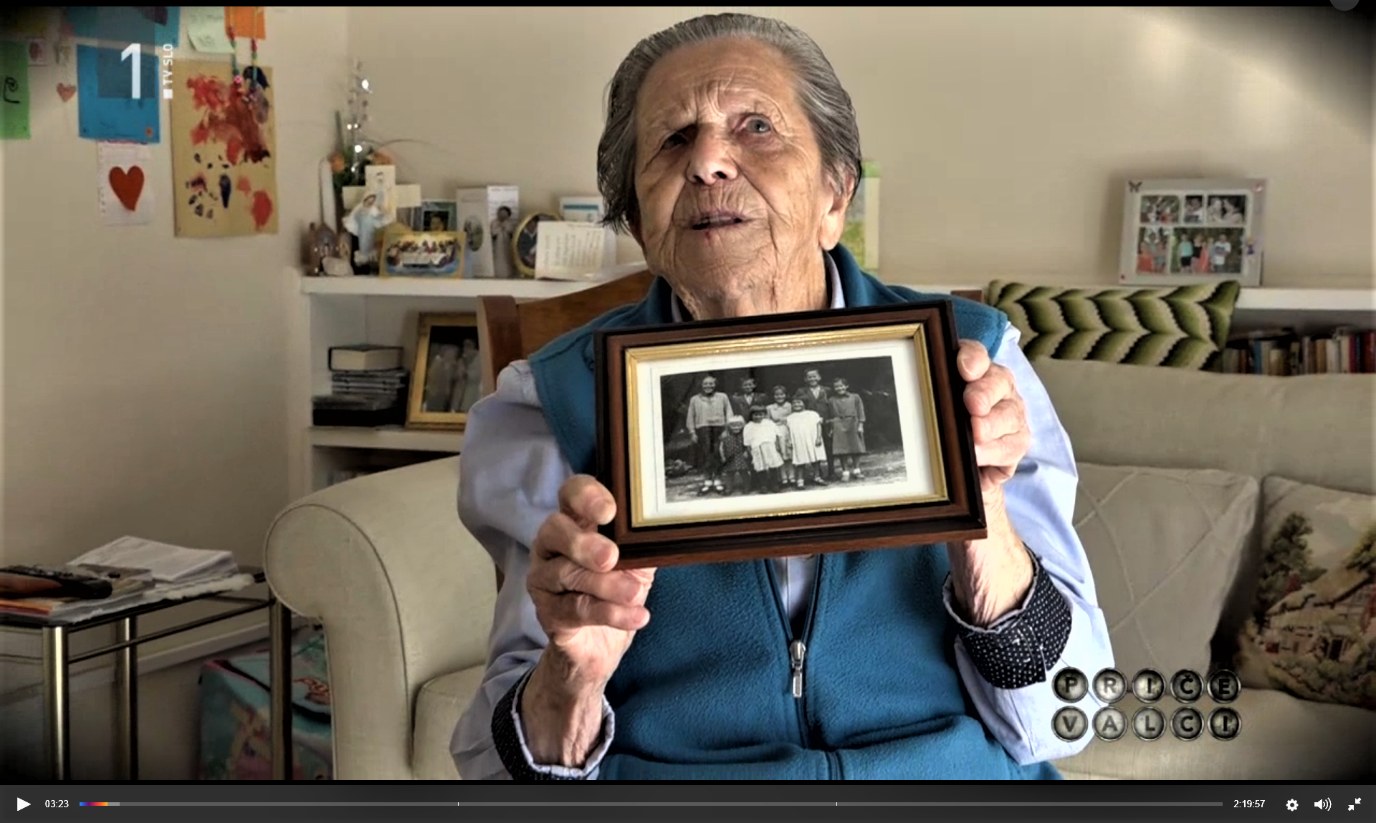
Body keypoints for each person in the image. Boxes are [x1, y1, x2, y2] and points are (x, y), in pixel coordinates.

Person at [453, 12, 1112, 781]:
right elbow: (498, 772)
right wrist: (574, 670)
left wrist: (982, 523)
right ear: (638, 220)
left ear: (837, 196)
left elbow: (1070, 718)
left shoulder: (971, 362)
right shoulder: (552, 402)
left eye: (756, 126)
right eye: (671, 141)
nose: (707, 163)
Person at [684, 375, 732, 494]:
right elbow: (691, 416)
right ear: (701, 385)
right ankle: (707, 481)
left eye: (711, 383)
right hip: (702, 428)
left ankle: (717, 480)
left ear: (715, 385)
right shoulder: (695, 399)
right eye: (705, 384)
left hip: (719, 428)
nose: (708, 386)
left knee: (718, 454)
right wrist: (692, 432)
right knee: (706, 455)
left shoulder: (722, 397)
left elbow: (729, 412)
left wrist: (727, 429)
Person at [794, 369, 832, 478]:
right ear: (805, 379)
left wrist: (829, 419)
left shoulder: (827, 390)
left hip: (825, 421)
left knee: (829, 446)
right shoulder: (801, 391)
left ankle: (831, 472)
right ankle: (818, 472)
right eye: (809, 377)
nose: (812, 379)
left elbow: (831, 404)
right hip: (809, 424)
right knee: (814, 446)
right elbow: (798, 404)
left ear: (819, 377)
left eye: (814, 376)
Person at [827, 377, 866, 480]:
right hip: (838, 424)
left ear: (846, 386)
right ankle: (845, 472)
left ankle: (857, 470)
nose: (839, 388)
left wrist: (860, 425)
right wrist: (831, 428)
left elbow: (860, 411)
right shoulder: (831, 400)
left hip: (853, 423)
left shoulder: (855, 397)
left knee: (855, 448)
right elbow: (830, 415)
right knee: (842, 450)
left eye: (841, 386)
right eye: (836, 387)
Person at [785, 396, 827, 489]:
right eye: (794, 403)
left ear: (804, 403)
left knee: (815, 459)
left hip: (812, 439)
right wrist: (789, 440)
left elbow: (818, 426)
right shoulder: (790, 418)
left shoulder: (812, 414)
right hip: (799, 441)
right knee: (800, 460)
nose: (796, 405)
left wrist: (819, 437)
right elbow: (788, 430)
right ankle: (800, 480)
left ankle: (817, 477)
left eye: (799, 402)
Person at [743, 404, 785, 493]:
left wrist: (778, 446)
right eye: (755, 415)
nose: (758, 417)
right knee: (761, 468)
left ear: (764, 415)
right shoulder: (749, 426)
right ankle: (763, 485)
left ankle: (774, 484)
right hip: (757, 449)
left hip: (769, 447)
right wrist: (749, 450)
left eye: (760, 414)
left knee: (773, 466)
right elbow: (747, 440)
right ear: (751, 415)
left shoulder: (769, 423)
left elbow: (777, 435)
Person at [343, 192, 388, 266]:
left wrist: (383, 215)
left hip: (371, 231)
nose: (370, 203)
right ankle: (363, 259)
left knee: (371, 244)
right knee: (363, 245)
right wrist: (363, 216)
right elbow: (354, 217)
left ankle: (371, 260)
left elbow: (378, 218)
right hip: (363, 231)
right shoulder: (359, 208)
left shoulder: (373, 209)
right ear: (365, 200)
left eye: (372, 201)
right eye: (369, 201)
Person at [766, 385, 796, 487]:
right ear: (773, 396)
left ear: (786, 395)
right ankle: (783, 477)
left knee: (790, 454)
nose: (779, 397)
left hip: (789, 431)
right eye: (777, 395)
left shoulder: (790, 406)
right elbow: (768, 422)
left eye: (782, 394)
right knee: (780, 454)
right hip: (776, 432)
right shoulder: (769, 408)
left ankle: (792, 476)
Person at [717, 415, 751, 495]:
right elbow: (721, 447)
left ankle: (747, 487)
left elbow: (748, 444)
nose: (736, 428)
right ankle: (728, 488)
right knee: (729, 474)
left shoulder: (744, 434)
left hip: (741, 456)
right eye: (733, 426)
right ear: (728, 426)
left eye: (739, 425)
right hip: (730, 457)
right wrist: (722, 456)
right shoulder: (725, 435)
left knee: (744, 472)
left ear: (742, 425)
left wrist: (747, 451)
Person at [423, 344, 461, 413]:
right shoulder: (438, 364)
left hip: (441, 396)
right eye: (452, 354)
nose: (454, 357)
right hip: (436, 395)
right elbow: (438, 380)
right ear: (446, 353)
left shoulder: (447, 365)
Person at [491, 205, 519, 279]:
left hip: (507, 244)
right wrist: (500, 227)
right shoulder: (494, 222)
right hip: (497, 245)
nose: (502, 215)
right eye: (501, 213)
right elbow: (493, 233)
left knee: (507, 259)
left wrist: (505, 226)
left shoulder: (510, 223)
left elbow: (511, 231)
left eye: (504, 214)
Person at [457, 337, 482, 413]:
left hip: (474, 389)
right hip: (465, 388)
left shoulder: (479, 358)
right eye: (464, 346)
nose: (465, 348)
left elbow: (477, 374)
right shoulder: (464, 358)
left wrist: (466, 373)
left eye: (468, 345)